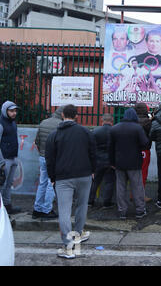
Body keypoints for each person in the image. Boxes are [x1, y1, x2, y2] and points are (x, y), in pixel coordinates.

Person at [45, 105, 96, 259]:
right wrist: (93, 170)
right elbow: (93, 153)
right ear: (76, 116)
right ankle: (78, 234)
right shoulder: (86, 132)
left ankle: (68, 247)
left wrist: (52, 177)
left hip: (63, 178)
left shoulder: (53, 136)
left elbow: (50, 159)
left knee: (65, 211)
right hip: (84, 175)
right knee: (82, 206)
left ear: (62, 116)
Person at [110, 108, 149, 220]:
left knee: (121, 187)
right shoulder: (137, 128)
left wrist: (112, 162)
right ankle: (140, 211)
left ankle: (122, 211)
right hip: (134, 162)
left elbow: (110, 147)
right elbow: (145, 143)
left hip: (119, 163)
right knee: (137, 187)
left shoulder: (115, 128)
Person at [32, 106, 65, 220]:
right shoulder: (60, 125)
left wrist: (41, 153)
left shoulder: (43, 122)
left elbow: (37, 141)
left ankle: (37, 209)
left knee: (42, 183)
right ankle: (47, 209)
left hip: (42, 157)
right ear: (63, 115)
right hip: (54, 159)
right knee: (52, 183)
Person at [88, 114, 116, 209]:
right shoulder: (114, 131)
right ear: (112, 121)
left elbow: (90, 147)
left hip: (97, 160)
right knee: (109, 182)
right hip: (110, 161)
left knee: (95, 181)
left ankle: (90, 201)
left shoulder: (95, 131)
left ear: (102, 120)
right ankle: (106, 202)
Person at [0, 101, 21, 215]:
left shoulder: (13, 123)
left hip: (13, 157)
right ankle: (1, 208)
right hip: (4, 159)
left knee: (9, 183)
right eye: (11, 111)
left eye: (15, 111)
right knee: (2, 184)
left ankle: (7, 206)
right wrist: (1, 161)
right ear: (5, 111)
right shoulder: (1, 123)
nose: (14, 113)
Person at [135, 103, 153, 203]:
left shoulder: (132, 120)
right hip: (144, 150)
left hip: (132, 150)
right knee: (143, 173)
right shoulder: (147, 122)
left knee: (133, 173)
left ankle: (133, 194)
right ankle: (141, 195)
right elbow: (151, 134)